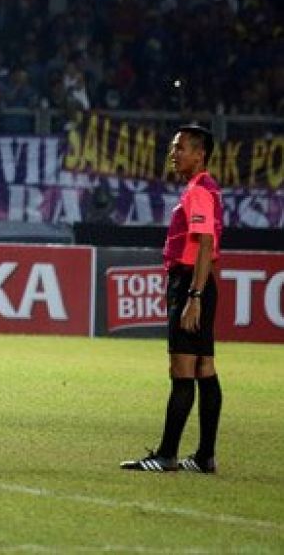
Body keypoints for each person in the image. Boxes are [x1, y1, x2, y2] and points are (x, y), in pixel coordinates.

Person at [121, 124, 223, 474]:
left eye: (181, 148)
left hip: (191, 283)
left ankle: (166, 455)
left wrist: (193, 295)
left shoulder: (198, 190)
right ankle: (204, 456)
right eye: (173, 147)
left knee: (182, 371)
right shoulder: (207, 189)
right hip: (201, 283)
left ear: (200, 154)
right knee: (204, 367)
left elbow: (205, 243)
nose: (174, 153)